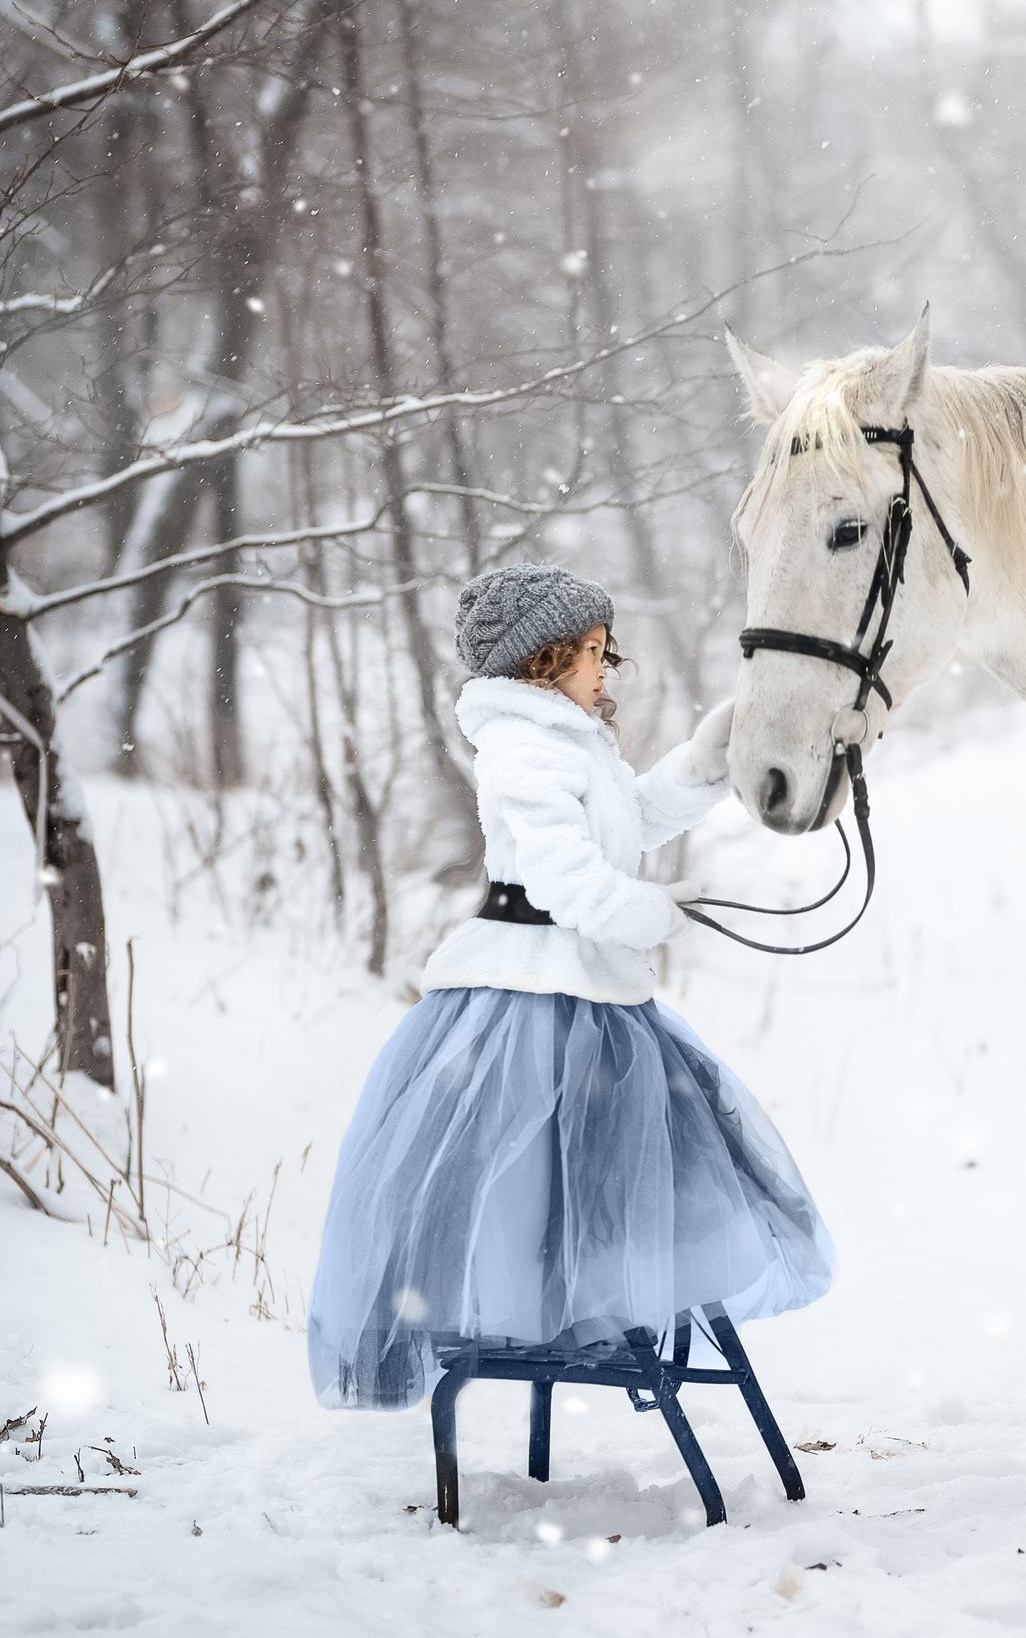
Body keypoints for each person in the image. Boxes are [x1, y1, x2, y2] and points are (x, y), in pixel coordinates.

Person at [307, 563, 832, 1411]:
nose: (602, 669)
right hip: (531, 1003)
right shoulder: (522, 750)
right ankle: (557, 1313)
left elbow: (631, 820)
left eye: (603, 651)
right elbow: (568, 883)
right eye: (588, 652)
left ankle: (607, 1308)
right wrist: (653, 913)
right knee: (531, 1180)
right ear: (539, 661)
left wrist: (704, 763)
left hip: (588, 997)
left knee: (608, 1170)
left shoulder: (569, 740)